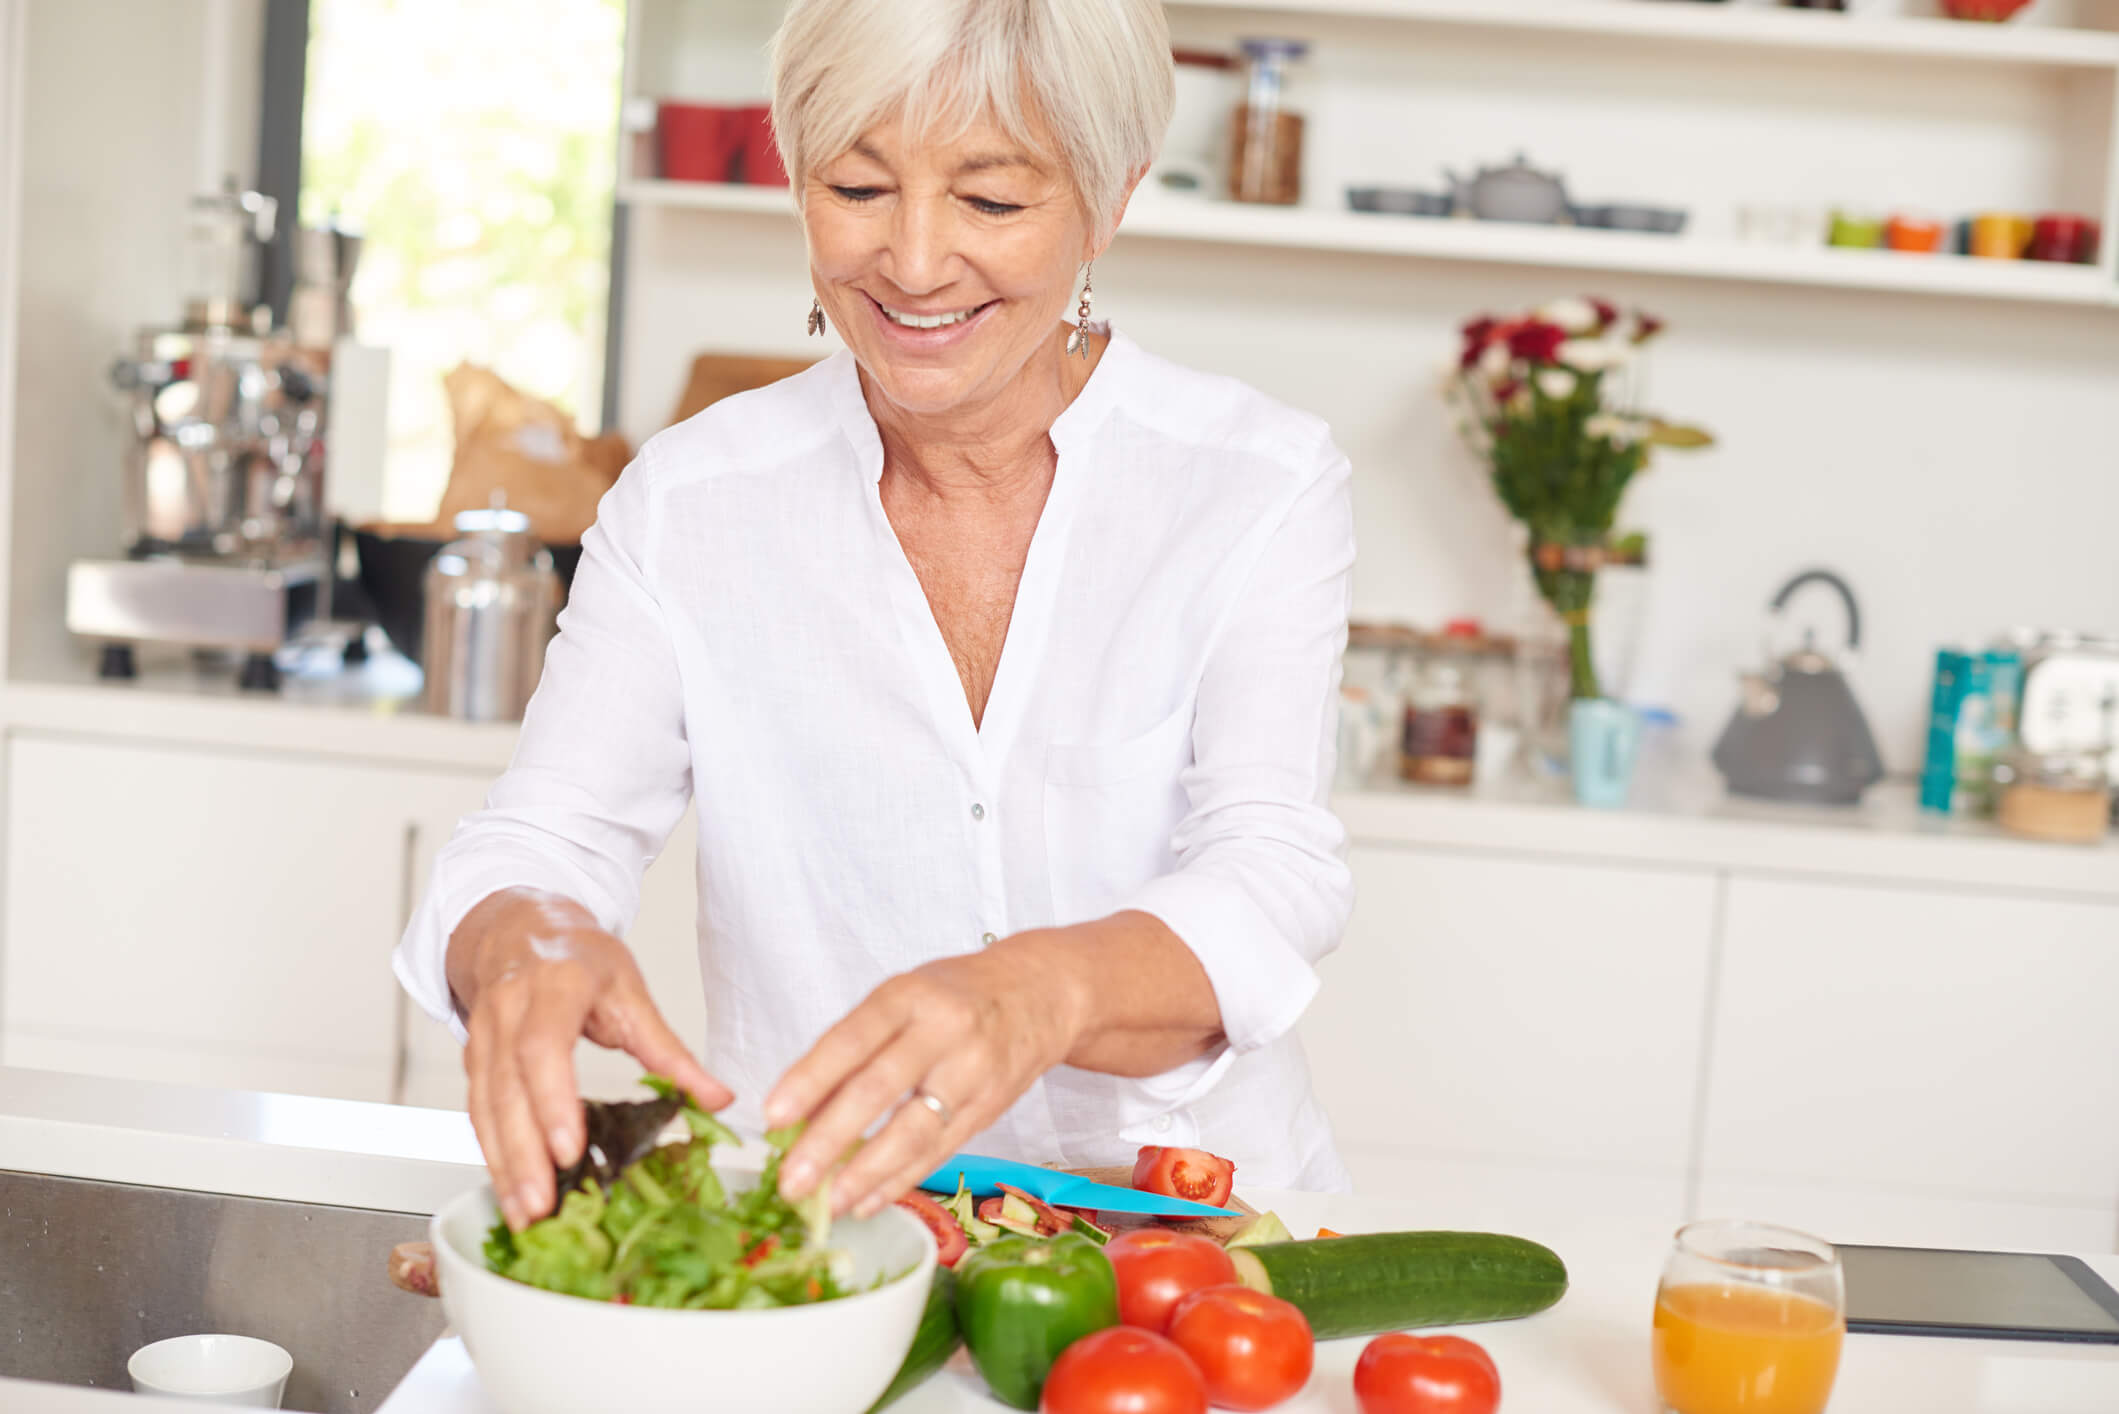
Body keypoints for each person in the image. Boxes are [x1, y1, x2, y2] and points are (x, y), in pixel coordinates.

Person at [392, 0, 1356, 1234]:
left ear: (1108, 201)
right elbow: (540, 840)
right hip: (834, 1236)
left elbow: (1271, 871)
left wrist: (1037, 989)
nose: (911, 260)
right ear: (796, 179)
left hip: (1196, 1236)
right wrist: (520, 939)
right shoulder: (692, 503)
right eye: (856, 187)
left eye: (991, 203)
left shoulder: (1255, 482)